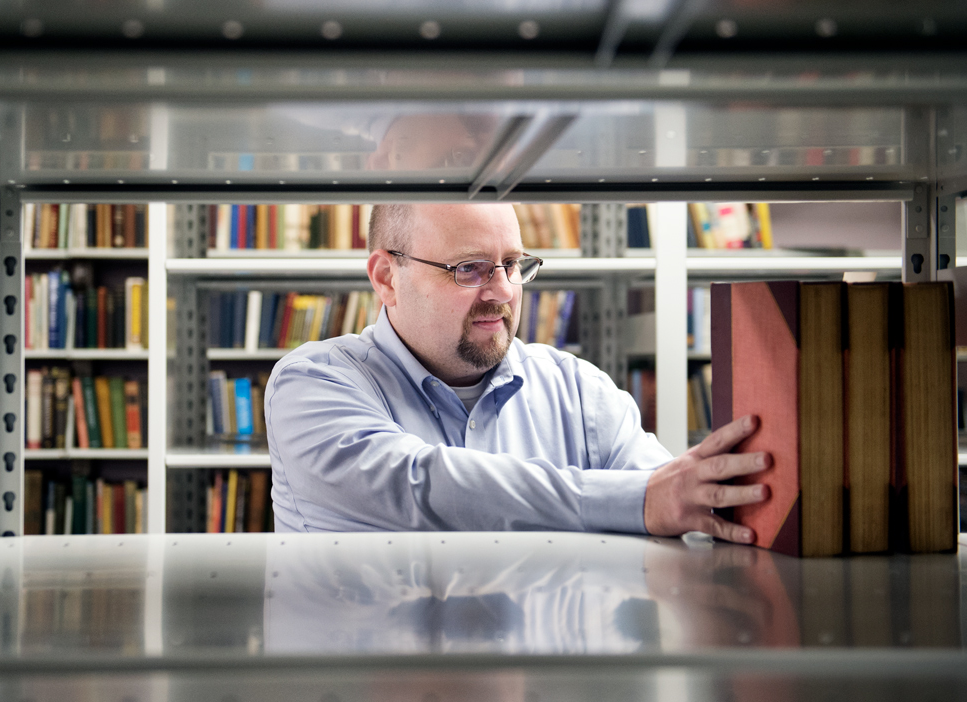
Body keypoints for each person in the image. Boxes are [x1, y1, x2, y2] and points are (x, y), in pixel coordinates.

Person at [264, 203, 770, 541]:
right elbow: (419, 487)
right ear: (386, 277)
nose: (504, 291)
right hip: (363, 700)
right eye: (469, 268)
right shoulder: (312, 383)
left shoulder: (580, 393)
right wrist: (635, 503)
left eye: (513, 264)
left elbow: (676, 506)